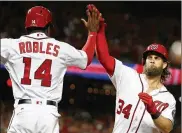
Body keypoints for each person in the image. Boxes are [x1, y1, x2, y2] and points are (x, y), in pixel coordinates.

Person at [0, 5, 101, 133]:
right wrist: (92, 33)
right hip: (48, 114)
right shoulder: (61, 48)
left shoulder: (12, 45)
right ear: (48, 27)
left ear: (27, 26)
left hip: (24, 111)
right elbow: (86, 59)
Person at [87, 4, 176, 133]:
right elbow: (104, 59)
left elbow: (167, 127)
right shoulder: (128, 76)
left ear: (164, 64)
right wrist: (100, 33)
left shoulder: (167, 98)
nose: (152, 60)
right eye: (149, 57)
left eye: (157, 58)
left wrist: (154, 111)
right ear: (144, 61)